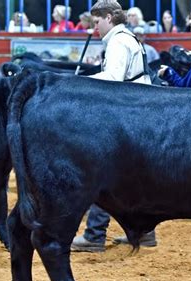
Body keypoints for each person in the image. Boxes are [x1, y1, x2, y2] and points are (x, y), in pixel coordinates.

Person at [71, 0, 154, 252]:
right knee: (132, 176)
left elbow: (113, 78)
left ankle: (95, 235)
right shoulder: (129, 38)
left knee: (101, 172)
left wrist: (80, 83)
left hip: (126, 114)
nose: (95, 28)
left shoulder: (118, 41)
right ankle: (145, 232)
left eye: (97, 22)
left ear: (109, 17)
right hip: (138, 111)